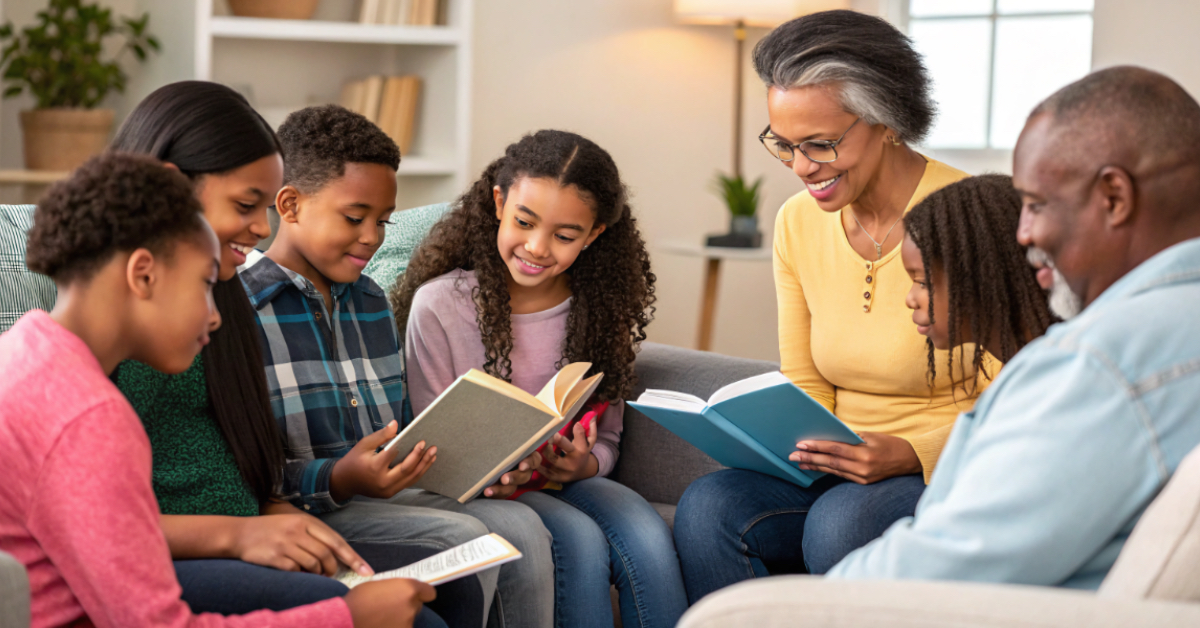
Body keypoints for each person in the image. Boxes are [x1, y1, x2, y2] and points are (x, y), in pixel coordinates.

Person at [0, 152, 433, 628]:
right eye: (205, 284)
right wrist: (346, 618)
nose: (215, 315)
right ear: (143, 274)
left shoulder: (23, 351)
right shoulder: (90, 416)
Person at [821, 65, 1200, 588]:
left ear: (1114, 197)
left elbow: (936, 571)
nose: (1024, 234)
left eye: (1037, 206)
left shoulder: (1094, 368)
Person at [97, 82, 448, 626]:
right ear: (173, 189)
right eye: (246, 206)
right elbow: (100, 522)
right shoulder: (132, 319)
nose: (263, 229)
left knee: (432, 594)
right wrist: (244, 532)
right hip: (190, 548)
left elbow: (240, 459)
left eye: (263, 207)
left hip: (253, 527)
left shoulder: (225, 294)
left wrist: (278, 516)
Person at [673, 9, 996, 601]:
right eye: (785, 145)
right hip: (838, 462)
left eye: (821, 144)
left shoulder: (967, 217)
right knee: (708, 505)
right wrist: (795, 448)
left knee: (842, 522)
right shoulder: (797, 223)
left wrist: (910, 453)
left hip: (942, 466)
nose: (801, 168)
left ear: (887, 121)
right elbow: (804, 378)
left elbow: (1017, 396)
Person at [240, 105, 554, 628]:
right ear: (290, 205)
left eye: (383, 221)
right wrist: (340, 477)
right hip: (311, 507)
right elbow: (246, 473)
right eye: (354, 217)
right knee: (480, 537)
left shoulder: (372, 301)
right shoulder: (242, 312)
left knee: (522, 524)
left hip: (392, 497)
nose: (373, 236)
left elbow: (400, 428)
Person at [393, 129, 688, 628]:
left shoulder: (599, 308)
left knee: (646, 534)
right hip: (481, 491)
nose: (537, 247)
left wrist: (584, 464)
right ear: (498, 203)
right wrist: (513, 471)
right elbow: (436, 451)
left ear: (593, 235)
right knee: (577, 540)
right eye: (523, 222)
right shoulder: (440, 306)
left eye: (565, 235)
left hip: (561, 480)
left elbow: (609, 437)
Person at [899, 174, 1058, 385]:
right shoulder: (1023, 369)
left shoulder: (1044, 382)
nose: (910, 299)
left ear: (981, 280)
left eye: (923, 283)